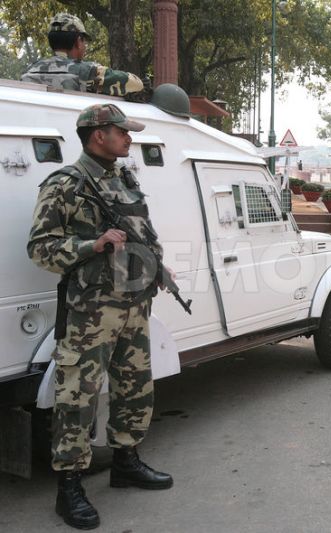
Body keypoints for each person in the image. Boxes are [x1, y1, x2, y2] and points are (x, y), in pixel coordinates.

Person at [27, 103, 172, 530]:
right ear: (97, 136)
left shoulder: (124, 178)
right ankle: (68, 487)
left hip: (132, 304)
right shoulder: (66, 184)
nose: (129, 138)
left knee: (134, 388)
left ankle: (126, 462)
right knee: (78, 399)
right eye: (122, 131)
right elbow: (41, 249)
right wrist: (93, 246)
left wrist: (158, 265)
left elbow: (144, 232)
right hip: (89, 313)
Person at [21, 13, 145, 97]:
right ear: (78, 41)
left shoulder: (30, 70)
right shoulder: (89, 71)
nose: (85, 45)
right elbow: (136, 84)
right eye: (84, 41)